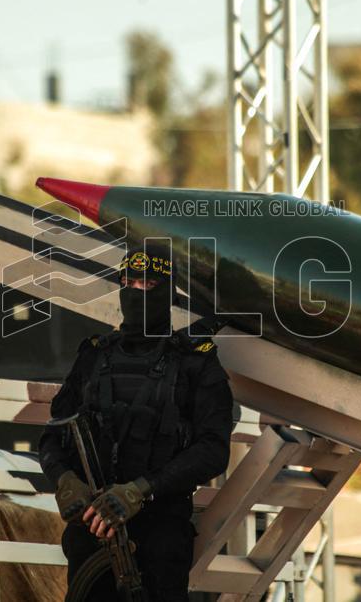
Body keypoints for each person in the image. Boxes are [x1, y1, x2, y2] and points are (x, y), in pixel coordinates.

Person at [39, 245, 234, 601]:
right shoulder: (96, 354)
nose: (135, 292)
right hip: (94, 528)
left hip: (159, 532)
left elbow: (213, 450)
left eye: (147, 285)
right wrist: (64, 481)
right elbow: (54, 434)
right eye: (128, 282)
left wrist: (140, 490)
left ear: (168, 293)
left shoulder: (195, 363)